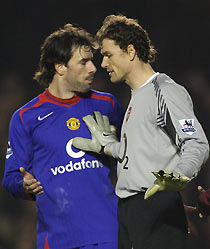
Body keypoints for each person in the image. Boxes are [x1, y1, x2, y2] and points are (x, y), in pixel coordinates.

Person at [72, 14, 209, 249]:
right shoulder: (137, 96)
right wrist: (108, 147)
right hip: (131, 211)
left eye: (108, 54)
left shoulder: (165, 91)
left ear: (131, 51)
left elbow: (196, 143)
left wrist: (177, 177)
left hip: (154, 206)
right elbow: (138, 153)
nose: (103, 64)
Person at [2, 23, 124, 249]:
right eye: (83, 62)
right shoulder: (25, 117)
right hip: (57, 239)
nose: (93, 68)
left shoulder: (107, 105)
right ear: (59, 67)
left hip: (108, 234)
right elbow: (10, 177)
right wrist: (24, 185)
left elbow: (129, 162)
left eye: (92, 60)